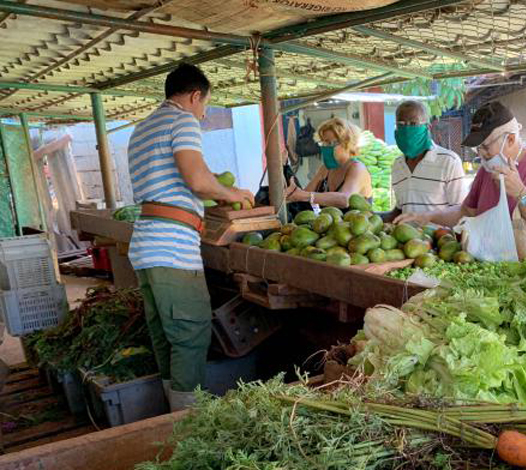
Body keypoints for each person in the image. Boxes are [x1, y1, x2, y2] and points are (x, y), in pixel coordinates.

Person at [127, 64, 254, 410]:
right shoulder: (182, 121)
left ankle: (172, 416)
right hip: (172, 248)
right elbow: (198, 181)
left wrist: (215, 187)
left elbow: (185, 179)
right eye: (205, 105)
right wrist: (232, 193)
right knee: (190, 334)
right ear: (195, 95)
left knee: (165, 338)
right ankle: (189, 424)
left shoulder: (142, 128)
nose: (203, 113)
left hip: (146, 244)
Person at [396, 101, 526, 255]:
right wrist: (426, 217)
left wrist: (521, 193)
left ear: (510, 139)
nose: (481, 153)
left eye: (485, 147)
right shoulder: (487, 169)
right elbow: (465, 211)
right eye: (478, 148)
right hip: (494, 268)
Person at [381, 100, 467, 222]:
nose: (406, 129)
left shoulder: (449, 162)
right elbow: (402, 209)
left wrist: (428, 218)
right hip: (406, 239)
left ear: (428, 127)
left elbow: (460, 210)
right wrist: (374, 217)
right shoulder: (397, 165)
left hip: (439, 239)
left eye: (413, 123)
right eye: (401, 124)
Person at [284, 117, 373, 208]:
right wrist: (294, 191)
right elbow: (304, 194)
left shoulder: (357, 168)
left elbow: (345, 200)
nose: (326, 148)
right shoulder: (326, 169)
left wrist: (308, 196)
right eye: (324, 143)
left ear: (347, 143)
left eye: (330, 143)